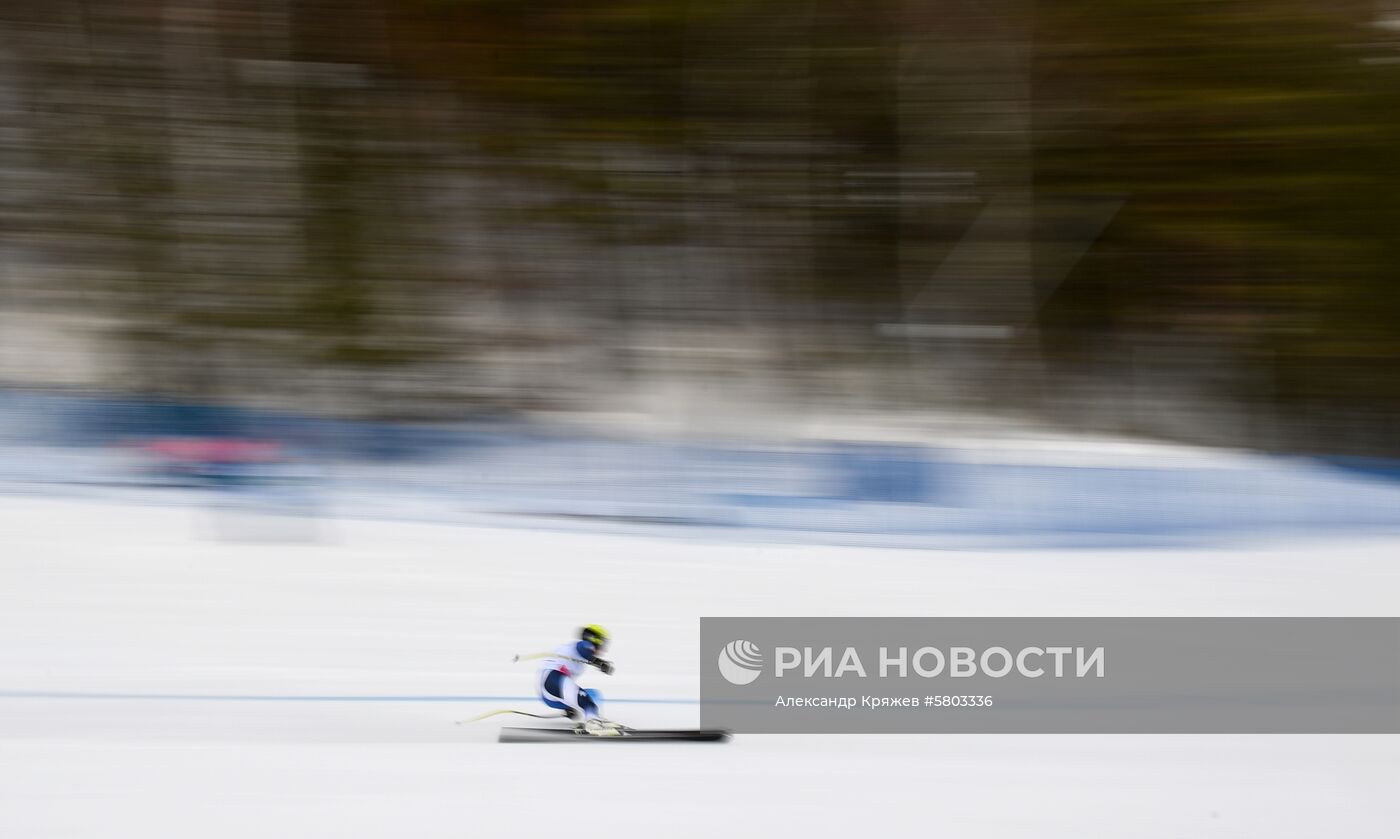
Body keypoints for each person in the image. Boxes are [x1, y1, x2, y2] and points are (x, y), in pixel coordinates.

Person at [535, 625, 620, 735]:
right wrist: (599, 662)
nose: (604, 648)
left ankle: (594, 719)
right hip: (551, 680)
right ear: (594, 640)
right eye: (603, 643)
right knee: (586, 701)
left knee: (594, 695)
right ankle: (593, 721)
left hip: (554, 696)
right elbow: (583, 648)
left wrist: (569, 707)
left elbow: (585, 655)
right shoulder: (581, 646)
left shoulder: (580, 655)